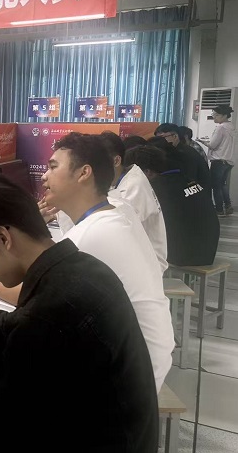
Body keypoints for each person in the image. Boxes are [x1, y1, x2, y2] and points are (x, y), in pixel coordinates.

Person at [0, 173, 158, 452]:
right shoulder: (83, 268)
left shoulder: (47, 314)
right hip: (123, 435)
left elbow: (4, 419)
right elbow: (17, 324)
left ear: (3, 237)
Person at [39, 133, 174, 391]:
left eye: (53, 167)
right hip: (147, 360)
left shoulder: (92, 234)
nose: (44, 176)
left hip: (128, 382)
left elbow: (31, 290)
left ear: (84, 173)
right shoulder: (117, 210)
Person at [125, 145, 219, 266]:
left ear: (147, 172)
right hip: (207, 251)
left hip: (184, 255)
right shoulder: (184, 178)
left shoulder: (155, 188)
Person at [100, 131, 167, 272]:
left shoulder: (133, 187)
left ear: (116, 161)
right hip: (132, 255)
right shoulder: (122, 180)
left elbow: (114, 230)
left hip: (146, 264)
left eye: (96, 162)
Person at [197, 105, 236, 216]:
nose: (214, 117)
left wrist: (201, 141)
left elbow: (212, 145)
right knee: (223, 184)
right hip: (229, 161)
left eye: (216, 115)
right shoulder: (232, 126)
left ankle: (219, 209)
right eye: (213, 114)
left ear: (225, 115)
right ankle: (228, 206)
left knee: (215, 186)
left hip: (219, 160)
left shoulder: (220, 128)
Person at [155, 123, 211, 189]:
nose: (159, 141)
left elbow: (190, 179)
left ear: (175, 136)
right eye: (157, 138)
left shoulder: (185, 154)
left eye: (162, 137)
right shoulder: (177, 150)